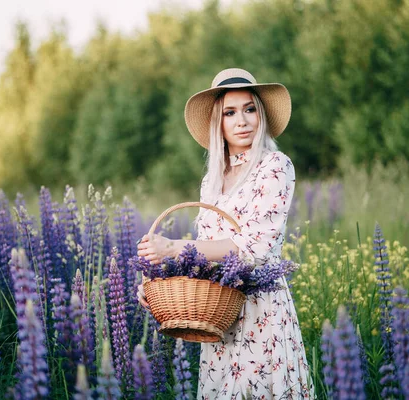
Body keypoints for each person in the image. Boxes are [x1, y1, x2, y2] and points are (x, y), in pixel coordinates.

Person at [137, 68, 313, 399]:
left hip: (260, 314)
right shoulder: (212, 180)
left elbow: (254, 249)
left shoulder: (274, 166)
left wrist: (174, 247)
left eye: (249, 109)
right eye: (230, 113)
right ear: (218, 122)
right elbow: (205, 255)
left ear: (260, 115)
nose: (241, 121)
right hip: (219, 318)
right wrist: (158, 281)